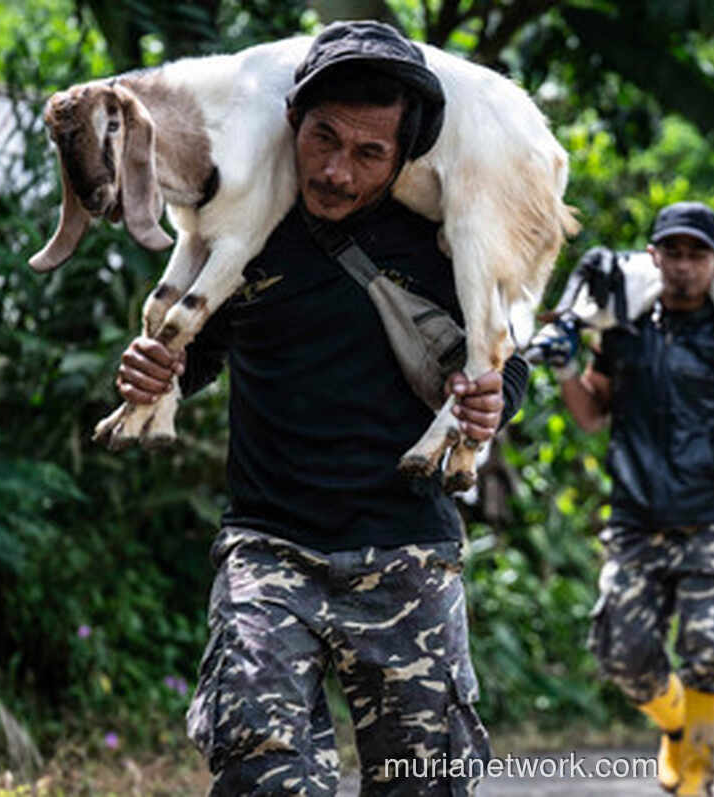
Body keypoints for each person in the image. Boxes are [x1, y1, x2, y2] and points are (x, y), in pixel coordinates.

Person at [113, 21, 530, 795]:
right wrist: (155, 371)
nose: (337, 172)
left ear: (403, 157)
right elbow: (194, 353)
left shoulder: (444, 239)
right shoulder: (245, 223)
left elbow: (505, 362)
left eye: (369, 153)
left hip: (406, 553)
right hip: (269, 550)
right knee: (260, 773)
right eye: (323, 139)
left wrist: (490, 400)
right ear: (292, 121)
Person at [543, 201, 714, 796]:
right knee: (623, 657)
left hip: (710, 517)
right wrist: (565, 371)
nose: (683, 266)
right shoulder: (623, 329)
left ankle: (697, 774)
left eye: (696, 255)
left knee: (711, 649)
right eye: (673, 253)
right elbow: (591, 415)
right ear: (653, 257)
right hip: (635, 518)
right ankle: (677, 725)